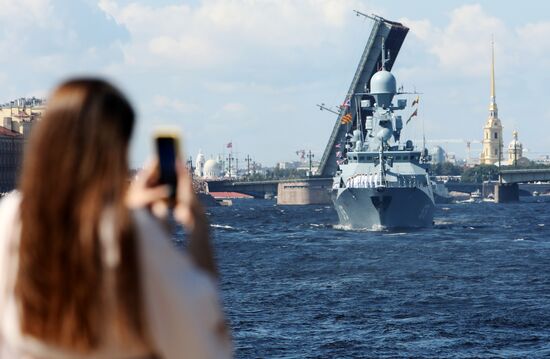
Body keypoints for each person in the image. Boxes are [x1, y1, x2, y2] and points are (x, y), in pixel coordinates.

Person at [0, 78, 232, 358]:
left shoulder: (9, 216)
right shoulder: (132, 233)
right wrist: (196, 227)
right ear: (114, 151)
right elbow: (205, 346)